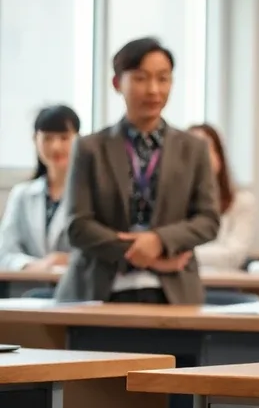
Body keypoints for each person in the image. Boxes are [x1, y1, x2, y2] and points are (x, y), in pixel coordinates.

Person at [54, 37, 220, 304]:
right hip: (97, 289)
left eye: (163, 78)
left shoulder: (194, 149)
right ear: (117, 83)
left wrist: (160, 240)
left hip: (175, 292)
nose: (153, 89)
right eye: (141, 78)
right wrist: (145, 253)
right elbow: (77, 225)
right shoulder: (89, 148)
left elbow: (208, 220)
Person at [0, 105, 81, 271]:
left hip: (76, 288)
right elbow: (5, 252)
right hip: (26, 287)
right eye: (48, 138)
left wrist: (67, 260)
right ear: (35, 140)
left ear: (79, 140)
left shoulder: (91, 193)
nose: (56, 147)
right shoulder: (21, 195)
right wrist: (37, 265)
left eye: (64, 138)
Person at [188, 124, 257, 271]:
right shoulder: (172, 203)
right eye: (191, 152)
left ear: (219, 158)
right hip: (180, 286)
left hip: (224, 284)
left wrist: (185, 254)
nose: (198, 159)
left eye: (205, 149)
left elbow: (234, 256)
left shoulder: (242, 201)